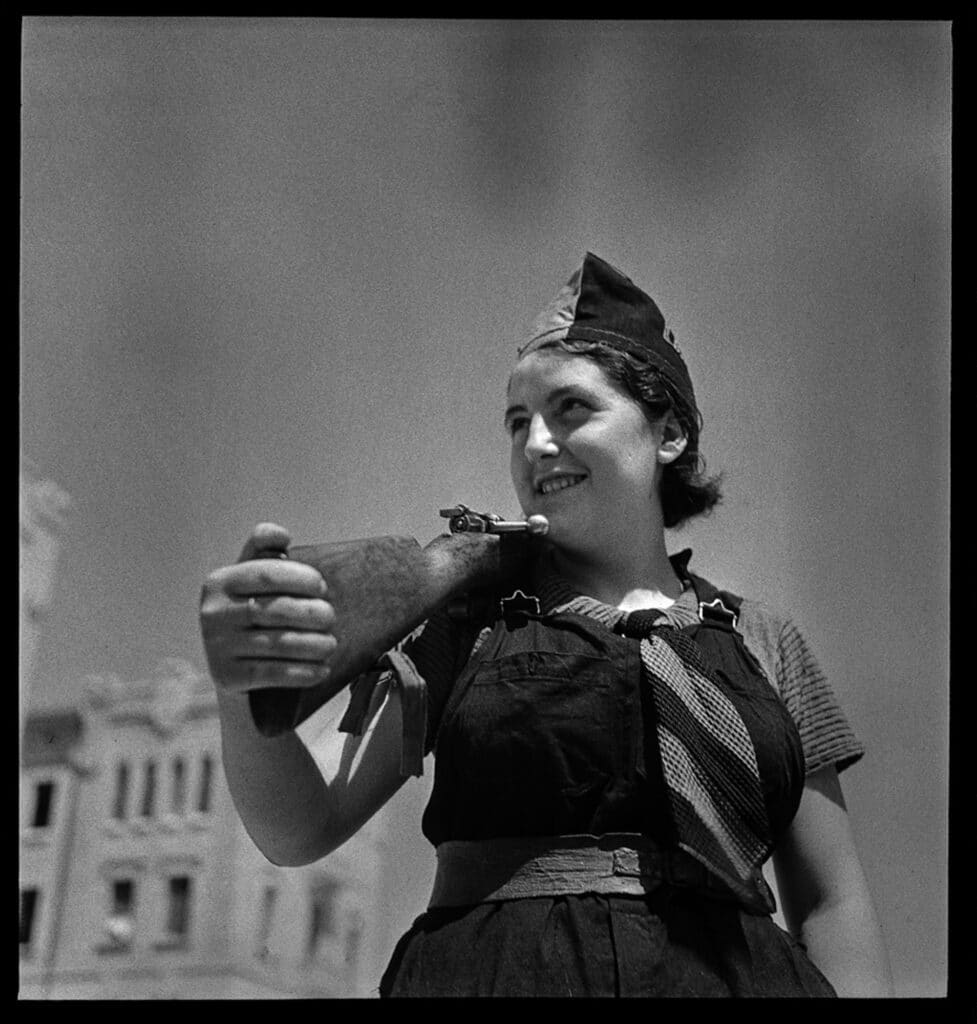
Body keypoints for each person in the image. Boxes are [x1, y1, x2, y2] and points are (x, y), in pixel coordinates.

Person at [199, 252, 894, 997]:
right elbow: (303, 828)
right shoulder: (466, 620)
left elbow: (833, 903)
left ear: (668, 435)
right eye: (517, 421)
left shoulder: (766, 640)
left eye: (572, 409)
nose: (534, 444)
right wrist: (247, 694)